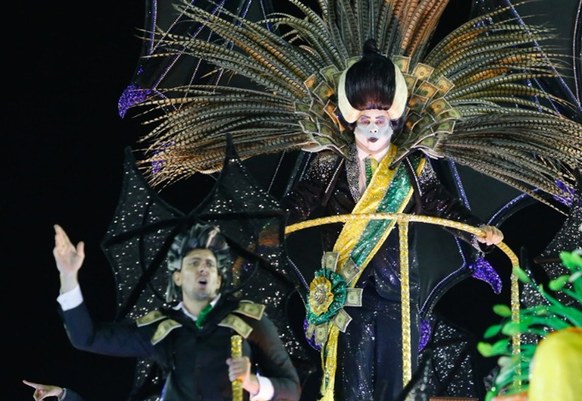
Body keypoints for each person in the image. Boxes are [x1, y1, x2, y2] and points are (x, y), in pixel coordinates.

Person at [281, 39, 504, 401]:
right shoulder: (330, 163)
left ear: (393, 120)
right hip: (346, 288)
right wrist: (270, 227)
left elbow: (441, 204)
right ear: (352, 119)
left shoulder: (412, 167)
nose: (372, 127)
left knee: (399, 380)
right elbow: (300, 201)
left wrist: (476, 229)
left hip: (399, 289)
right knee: (353, 385)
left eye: (379, 119)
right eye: (365, 119)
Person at [52, 222, 301, 401]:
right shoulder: (163, 327)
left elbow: (291, 388)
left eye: (210, 265)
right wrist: (69, 277)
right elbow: (87, 338)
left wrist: (253, 383)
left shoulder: (248, 319)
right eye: (194, 263)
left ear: (218, 280)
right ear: (178, 277)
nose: (203, 269)